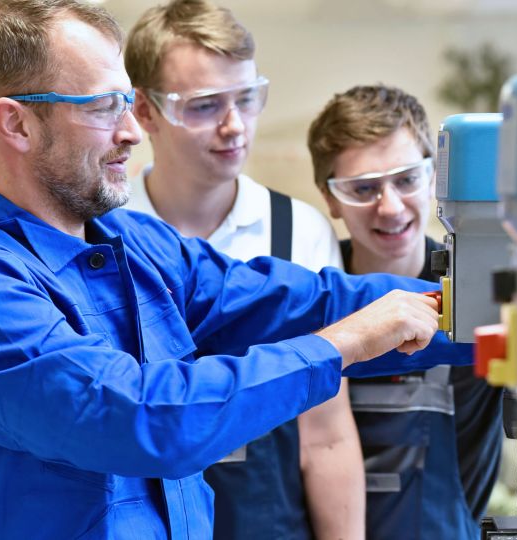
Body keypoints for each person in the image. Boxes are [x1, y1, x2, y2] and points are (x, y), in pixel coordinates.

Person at [0, 2, 470, 538]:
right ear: (15, 123)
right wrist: (345, 342)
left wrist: (504, 315)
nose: (133, 132)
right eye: (106, 106)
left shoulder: (139, 244)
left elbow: (303, 303)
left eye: (129, 103)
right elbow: (140, 419)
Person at [307, 85, 517, 539]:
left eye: (406, 179)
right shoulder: (305, 300)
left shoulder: (485, 286)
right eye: (363, 188)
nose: (390, 205)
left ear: (436, 177)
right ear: (331, 198)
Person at [123, 1, 363, 537]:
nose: (235, 126)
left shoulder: (297, 231)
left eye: (247, 98)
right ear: (143, 112)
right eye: (206, 105)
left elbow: (325, 435)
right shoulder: (103, 235)